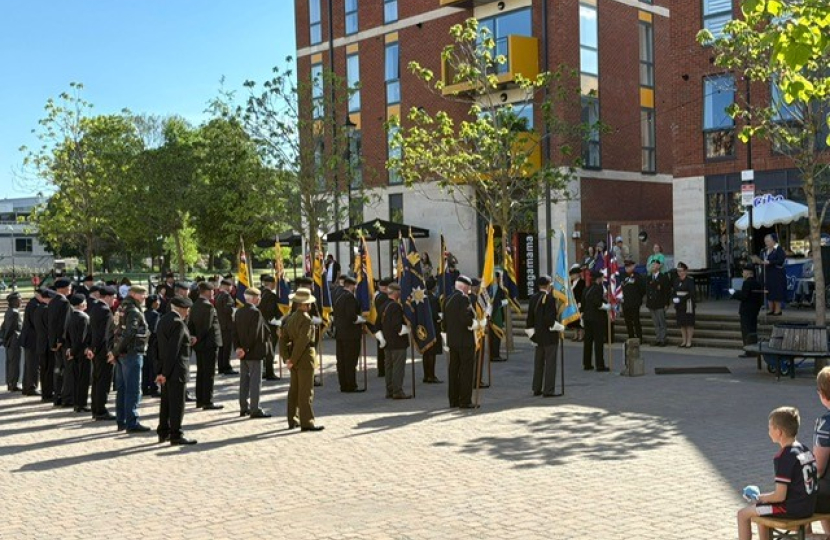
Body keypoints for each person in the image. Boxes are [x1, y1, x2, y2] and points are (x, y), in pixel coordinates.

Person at [736, 407, 817, 540]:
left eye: (770, 428)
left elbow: (780, 496)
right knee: (760, 510)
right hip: (808, 506)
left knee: (743, 514)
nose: (768, 431)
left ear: (779, 432)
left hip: (792, 509)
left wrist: (760, 497)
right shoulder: (804, 449)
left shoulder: (784, 457)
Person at [155, 296, 197, 445]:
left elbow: (159, 348)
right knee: (177, 404)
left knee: (166, 403)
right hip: (176, 370)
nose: (188, 312)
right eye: (187, 309)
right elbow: (174, 350)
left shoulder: (163, 320)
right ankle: (176, 434)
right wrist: (165, 373)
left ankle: (163, 431)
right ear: (182, 309)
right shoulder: (178, 324)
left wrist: (160, 371)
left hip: (166, 369)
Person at [281, 288, 324, 431]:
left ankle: (293, 419)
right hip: (305, 358)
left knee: (294, 390)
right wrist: (292, 359)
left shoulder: (290, 317)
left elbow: (283, 339)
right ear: (305, 305)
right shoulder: (306, 319)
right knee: (306, 391)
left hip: (294, 357)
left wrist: (287, 358)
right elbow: (303, 341)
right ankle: (307, 422)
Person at [113, 285, 150, 433]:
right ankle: (132, 422)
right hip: (131, 352)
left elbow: (115, 329)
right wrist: (118, 350)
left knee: (122, 389)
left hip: (122, 353)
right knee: (133, 389)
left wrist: (115, 351)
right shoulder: (134, 311)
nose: (144, 297)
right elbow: (129, 333)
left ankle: (121, 420)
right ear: (133, 294)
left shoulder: (122, 307)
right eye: (141, 294)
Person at [234, 287, 272, 418]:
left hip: (243, 353)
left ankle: (243, 407)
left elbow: (236, 332)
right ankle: (255, 409)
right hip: (253, 352)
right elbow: (254, 334)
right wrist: (246, 349)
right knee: (255, 382)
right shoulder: (256, 312)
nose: (260, 299)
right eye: (259, 297)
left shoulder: (239, 312)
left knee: (244, 380)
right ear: (255, 299)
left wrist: (239, 348)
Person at [444, 276, 479, 409]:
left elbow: (445, 323)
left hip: (453, 341)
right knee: (466, 371)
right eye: (469, 287)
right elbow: (466, 319)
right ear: (465, 287)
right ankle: (465, 400)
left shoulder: (447, 299)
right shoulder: (464, 299)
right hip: (465, 341)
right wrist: (476, 324)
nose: (469, 289)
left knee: (453, 371)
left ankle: (453, 400)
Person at [525, 276, 563, 396]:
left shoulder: (533, 298)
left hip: (538, 336)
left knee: (539, 363)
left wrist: (532, 336)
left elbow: (529, 319)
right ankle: (548, 390)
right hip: (549, 336)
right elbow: (549, 320)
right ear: (548, 286)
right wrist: (560, 327)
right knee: (550, 364)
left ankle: (536, 388)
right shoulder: (550, 298)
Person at [188, 281, 223, 410]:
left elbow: (190, 323)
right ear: (207, 292)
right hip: (208, 343)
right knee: (209, 373)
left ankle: (200, 399)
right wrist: (197, 337)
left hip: (199, 344)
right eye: (212, 291)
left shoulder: (195, 305)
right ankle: (207, 401)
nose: (213, 294)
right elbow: (207, 326)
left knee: (201, 372)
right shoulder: (208, 306)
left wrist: (193, 337)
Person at [333, 276, 366, 393]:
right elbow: (351, 316)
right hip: (351, 334)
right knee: (350, 361)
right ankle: (351, 385)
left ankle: (343, 385)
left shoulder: (338, 296)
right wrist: (361, 319)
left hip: (340, 333)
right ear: (351, 286)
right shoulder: (349, 298)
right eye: (355, 286)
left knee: (341, 361)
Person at [90, 286, 117, 420]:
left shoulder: (95, 307)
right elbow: (104, 335)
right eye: (113, 297)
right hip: (103, 352)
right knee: (103, 381)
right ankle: (101, 410)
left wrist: (92, 348)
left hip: (96, 351)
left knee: (96, 380)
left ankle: (96, 408)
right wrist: (109, 353)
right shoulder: (106, 311)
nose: (114, 300)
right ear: (107, 297)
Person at [380, 282, 411, 400]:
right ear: (396, 293)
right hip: (398, 342)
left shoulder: (383, 305)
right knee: (398, 368)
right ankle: (397, 391)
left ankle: (390, 390)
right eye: (399, 292)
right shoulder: (396, 306)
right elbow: (398, 326)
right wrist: (408, 329)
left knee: (389, 367)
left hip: (387, 341)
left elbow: (378, 323)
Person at [65, 294, 93, 412]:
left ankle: (77, 403)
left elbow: (67, 335)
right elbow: (81, 339)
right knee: (83, 379)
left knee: (76, 379)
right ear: (81, 304)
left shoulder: (71, 316)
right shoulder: (83, 318)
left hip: (73, 351)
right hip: (82, 352)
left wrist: (70, 350)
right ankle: (81, 404)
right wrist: (74, 351)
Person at [48, 278, 73, 407]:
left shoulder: (52, 302)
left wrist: (53, 341)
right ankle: (67, 398)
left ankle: (57, 396)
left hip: (54, 341)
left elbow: (51, 324)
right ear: (63, 288)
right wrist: (60, 340)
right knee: (67, 370)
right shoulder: (65, 302)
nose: (71, 288)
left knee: (58, 370)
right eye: (69, 287)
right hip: (63, 342)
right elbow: (64, 324)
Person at [732, 264, 765, 358]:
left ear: (747, 272)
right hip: (754, 311)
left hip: (746, 311)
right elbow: (760, 299)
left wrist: (734, 294)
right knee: (753, 330)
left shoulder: (747, 283)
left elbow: (744, 296)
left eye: (743, 272)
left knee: (746, 331)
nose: (742, 273)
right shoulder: (757, 283)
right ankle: (754, 350)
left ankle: (748, 350)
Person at [812, 367, 830, 531]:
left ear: (823, 394)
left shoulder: (826, 423)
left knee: (795, 494)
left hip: (827, 495)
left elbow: (819, 467)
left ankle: (808, 535)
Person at [581, 270, 609, 372]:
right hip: (597, 318)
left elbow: (583, 303)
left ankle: (587, 363)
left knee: (588, 341)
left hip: (587, 318)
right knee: (598, 341)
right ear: (598, 278)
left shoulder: (587, 288)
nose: (602, 279)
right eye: (601, 277)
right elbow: (598, 303)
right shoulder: (598, 288)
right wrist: (607, 306)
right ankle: (600, 365)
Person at [19, 290, 43, 396]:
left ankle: (27, 387)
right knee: (33, 364)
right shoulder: (35, 305)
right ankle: (31, 387)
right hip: (32, 339)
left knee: (29, 364)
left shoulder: (32, 303)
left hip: (29, 339)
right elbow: (36, 323)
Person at [755, 233, 787, 316]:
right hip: (766, 274)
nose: (767, 243)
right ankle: (770, 309)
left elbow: (781, 260)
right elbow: (761, 259)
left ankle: (778, 310)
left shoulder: (778, 249)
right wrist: (758, 261)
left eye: (768, 241)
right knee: (768, 291)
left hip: (776, 274)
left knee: (776, 292)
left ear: (773, 241)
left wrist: (770, 262)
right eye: (765, 241)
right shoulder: (764, 250)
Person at [258, 275, 282, 381]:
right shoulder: (271, 296)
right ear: (271, 284)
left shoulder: (260, 293)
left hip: (260, 325)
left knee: (265, 349)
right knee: (270, 350)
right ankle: (269, 372)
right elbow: (270, 311)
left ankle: (264, 370)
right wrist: (278, 321)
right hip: (270, 325)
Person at [645, 260, 671, 347]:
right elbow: (648, 291)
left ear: (659, 266)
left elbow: (667, 291)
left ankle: (663, 339)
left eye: (655, 264)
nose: (653, 266)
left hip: (660, 303)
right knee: (656, 323)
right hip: (652, 303)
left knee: (661, 322)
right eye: (652, 264)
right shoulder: (649, 277)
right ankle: (658, 338)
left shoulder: (663, 277)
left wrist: (667, 303)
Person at [214, 279, 237, 375]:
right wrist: (235, 311)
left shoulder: (218, 295)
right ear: (227, 286)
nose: (231, 288)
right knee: (226, 347)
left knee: (222, 347)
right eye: (231, 286)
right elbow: (228, 310)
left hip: (221, 324)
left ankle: (221, 366)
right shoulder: (227, 296)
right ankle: (226, 367)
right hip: (227, 325)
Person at [422, 276, 443, 383]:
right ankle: (431, 375)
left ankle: (426, 375)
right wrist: (441, 317)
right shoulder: (434, 299)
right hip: (433, 327)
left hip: (423, 328)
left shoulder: (422, 297)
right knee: (432, 353)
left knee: (426, 352)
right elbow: (434, 314)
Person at [671, 262, 696, 348]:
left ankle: (689, 341)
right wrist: (674, 298)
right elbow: (674, 291)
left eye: (681, 271)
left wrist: (681, 299)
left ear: (685, 271)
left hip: (687, 304)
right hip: (679, 305)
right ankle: (684, 340)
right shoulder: (676, 280)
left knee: (689, 323)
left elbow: (691, 293)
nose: (680, 273)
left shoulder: (690, 280)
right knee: (681, 323)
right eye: (678, 271)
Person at [35, 289, 54, 401]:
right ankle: (48, 393)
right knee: (49, 369)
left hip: (41, 342)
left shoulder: (38, 308)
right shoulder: (47, 310)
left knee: (43, 369)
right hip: (47, 343)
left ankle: (45, 393)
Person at [1, 292, 23, 392]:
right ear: (14, 301)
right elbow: (10, 328)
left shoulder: (8, 311)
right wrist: (6, 339)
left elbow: (3, 327)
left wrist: (4, 339)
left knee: (10, 363)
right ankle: (13, 384)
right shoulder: (15, 313)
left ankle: (10, 383)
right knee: (14, 363)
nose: (21, 301)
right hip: (14, 340)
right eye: (19, 300)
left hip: (9, 341)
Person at [620, 260, 646, 341]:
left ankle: (639, 337)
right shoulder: (622, 276)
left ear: (633, 267)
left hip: (634, 302)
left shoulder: (637, 276)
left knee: (636, 321)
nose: (627, 268)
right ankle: (630, 336)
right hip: (625, 302)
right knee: (628, 321)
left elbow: (642, 289)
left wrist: (638, 298)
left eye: (629, 266)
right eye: (626, 267)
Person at [142, 295, 161, 398]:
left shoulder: (144, 313)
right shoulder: (155, 315)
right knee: (153, 366)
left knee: (145, 366)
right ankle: (154, 388)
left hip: (145, 342)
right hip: (153, 343)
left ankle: (145, 387)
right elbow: (155, 330)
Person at [374, 277, 392, 378]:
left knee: (381, 348)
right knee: (383, 348)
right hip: (382, 325)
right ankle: (382, 369)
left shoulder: (379, 295)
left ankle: (382, 369)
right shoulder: (383, 297)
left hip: (379, 325)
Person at [568, 265, 585, 342]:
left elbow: (582, 294)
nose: (572, 276)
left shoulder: (582, 282)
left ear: (578, 274)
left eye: (573, 274)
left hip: (579, 303)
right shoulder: (570, 283)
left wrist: (581, 303)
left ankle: (581, 336)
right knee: (573, 321)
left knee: (579, 321)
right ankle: (575, 335)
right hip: (571, 303)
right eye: (571, 275)